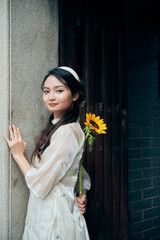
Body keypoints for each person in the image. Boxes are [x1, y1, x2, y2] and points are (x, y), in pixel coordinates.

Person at [3, 66, 91, 240]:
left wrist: (18, 154)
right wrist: (82, 194)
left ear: (75, 95)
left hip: (54, 213)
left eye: (59, 90)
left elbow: (40, 183)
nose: (51, 97)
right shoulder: (62, 128)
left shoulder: (66, 132)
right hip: (55, 207)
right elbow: (78, 171)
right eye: (46, 91)